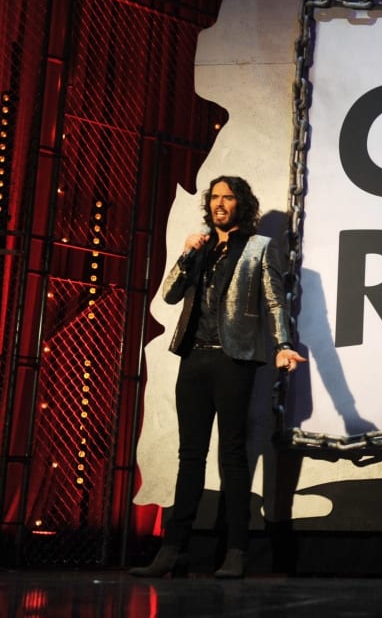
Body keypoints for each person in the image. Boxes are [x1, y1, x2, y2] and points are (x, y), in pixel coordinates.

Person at [129, 175, 306, 579]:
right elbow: (170, 295)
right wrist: (186, 254)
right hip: (194, 358)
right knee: (190, 456)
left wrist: (282, 344)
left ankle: (236, 550)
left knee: (232, 454)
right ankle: (173, 550)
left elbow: (275, 302)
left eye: (228, 198)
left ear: (241, 204)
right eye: (215, 198)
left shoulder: (259, 248)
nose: (219, 204)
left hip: (233, 360)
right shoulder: (202, 247)